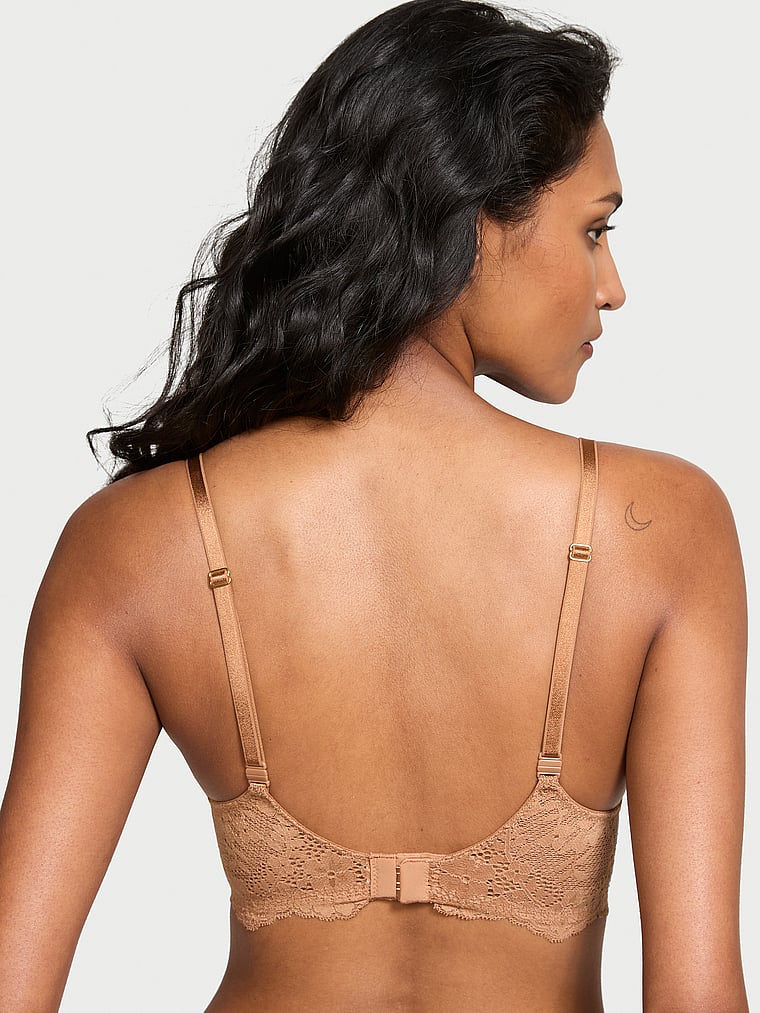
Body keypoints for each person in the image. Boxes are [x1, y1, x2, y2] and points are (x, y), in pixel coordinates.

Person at [0, 0, 749, 1010]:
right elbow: (698, 995)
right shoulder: (662, 527)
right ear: (473, 223)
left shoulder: (133, 543)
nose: (611, 287)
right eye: (594, 229)